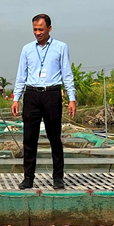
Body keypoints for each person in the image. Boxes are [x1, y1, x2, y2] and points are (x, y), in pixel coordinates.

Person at [11, 13, 76, 190]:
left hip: (52, 94)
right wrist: (16, 98)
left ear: (49, 28)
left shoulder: (61, 47)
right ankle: (28, 178)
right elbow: (21, 75)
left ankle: (58, 177)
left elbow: (67, 73)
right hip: (31, 95)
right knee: (29, 139)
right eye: (35, 29)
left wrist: (72, 98)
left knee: (54, 137)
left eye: (41, 29)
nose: (37, 33)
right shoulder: (27, 49)